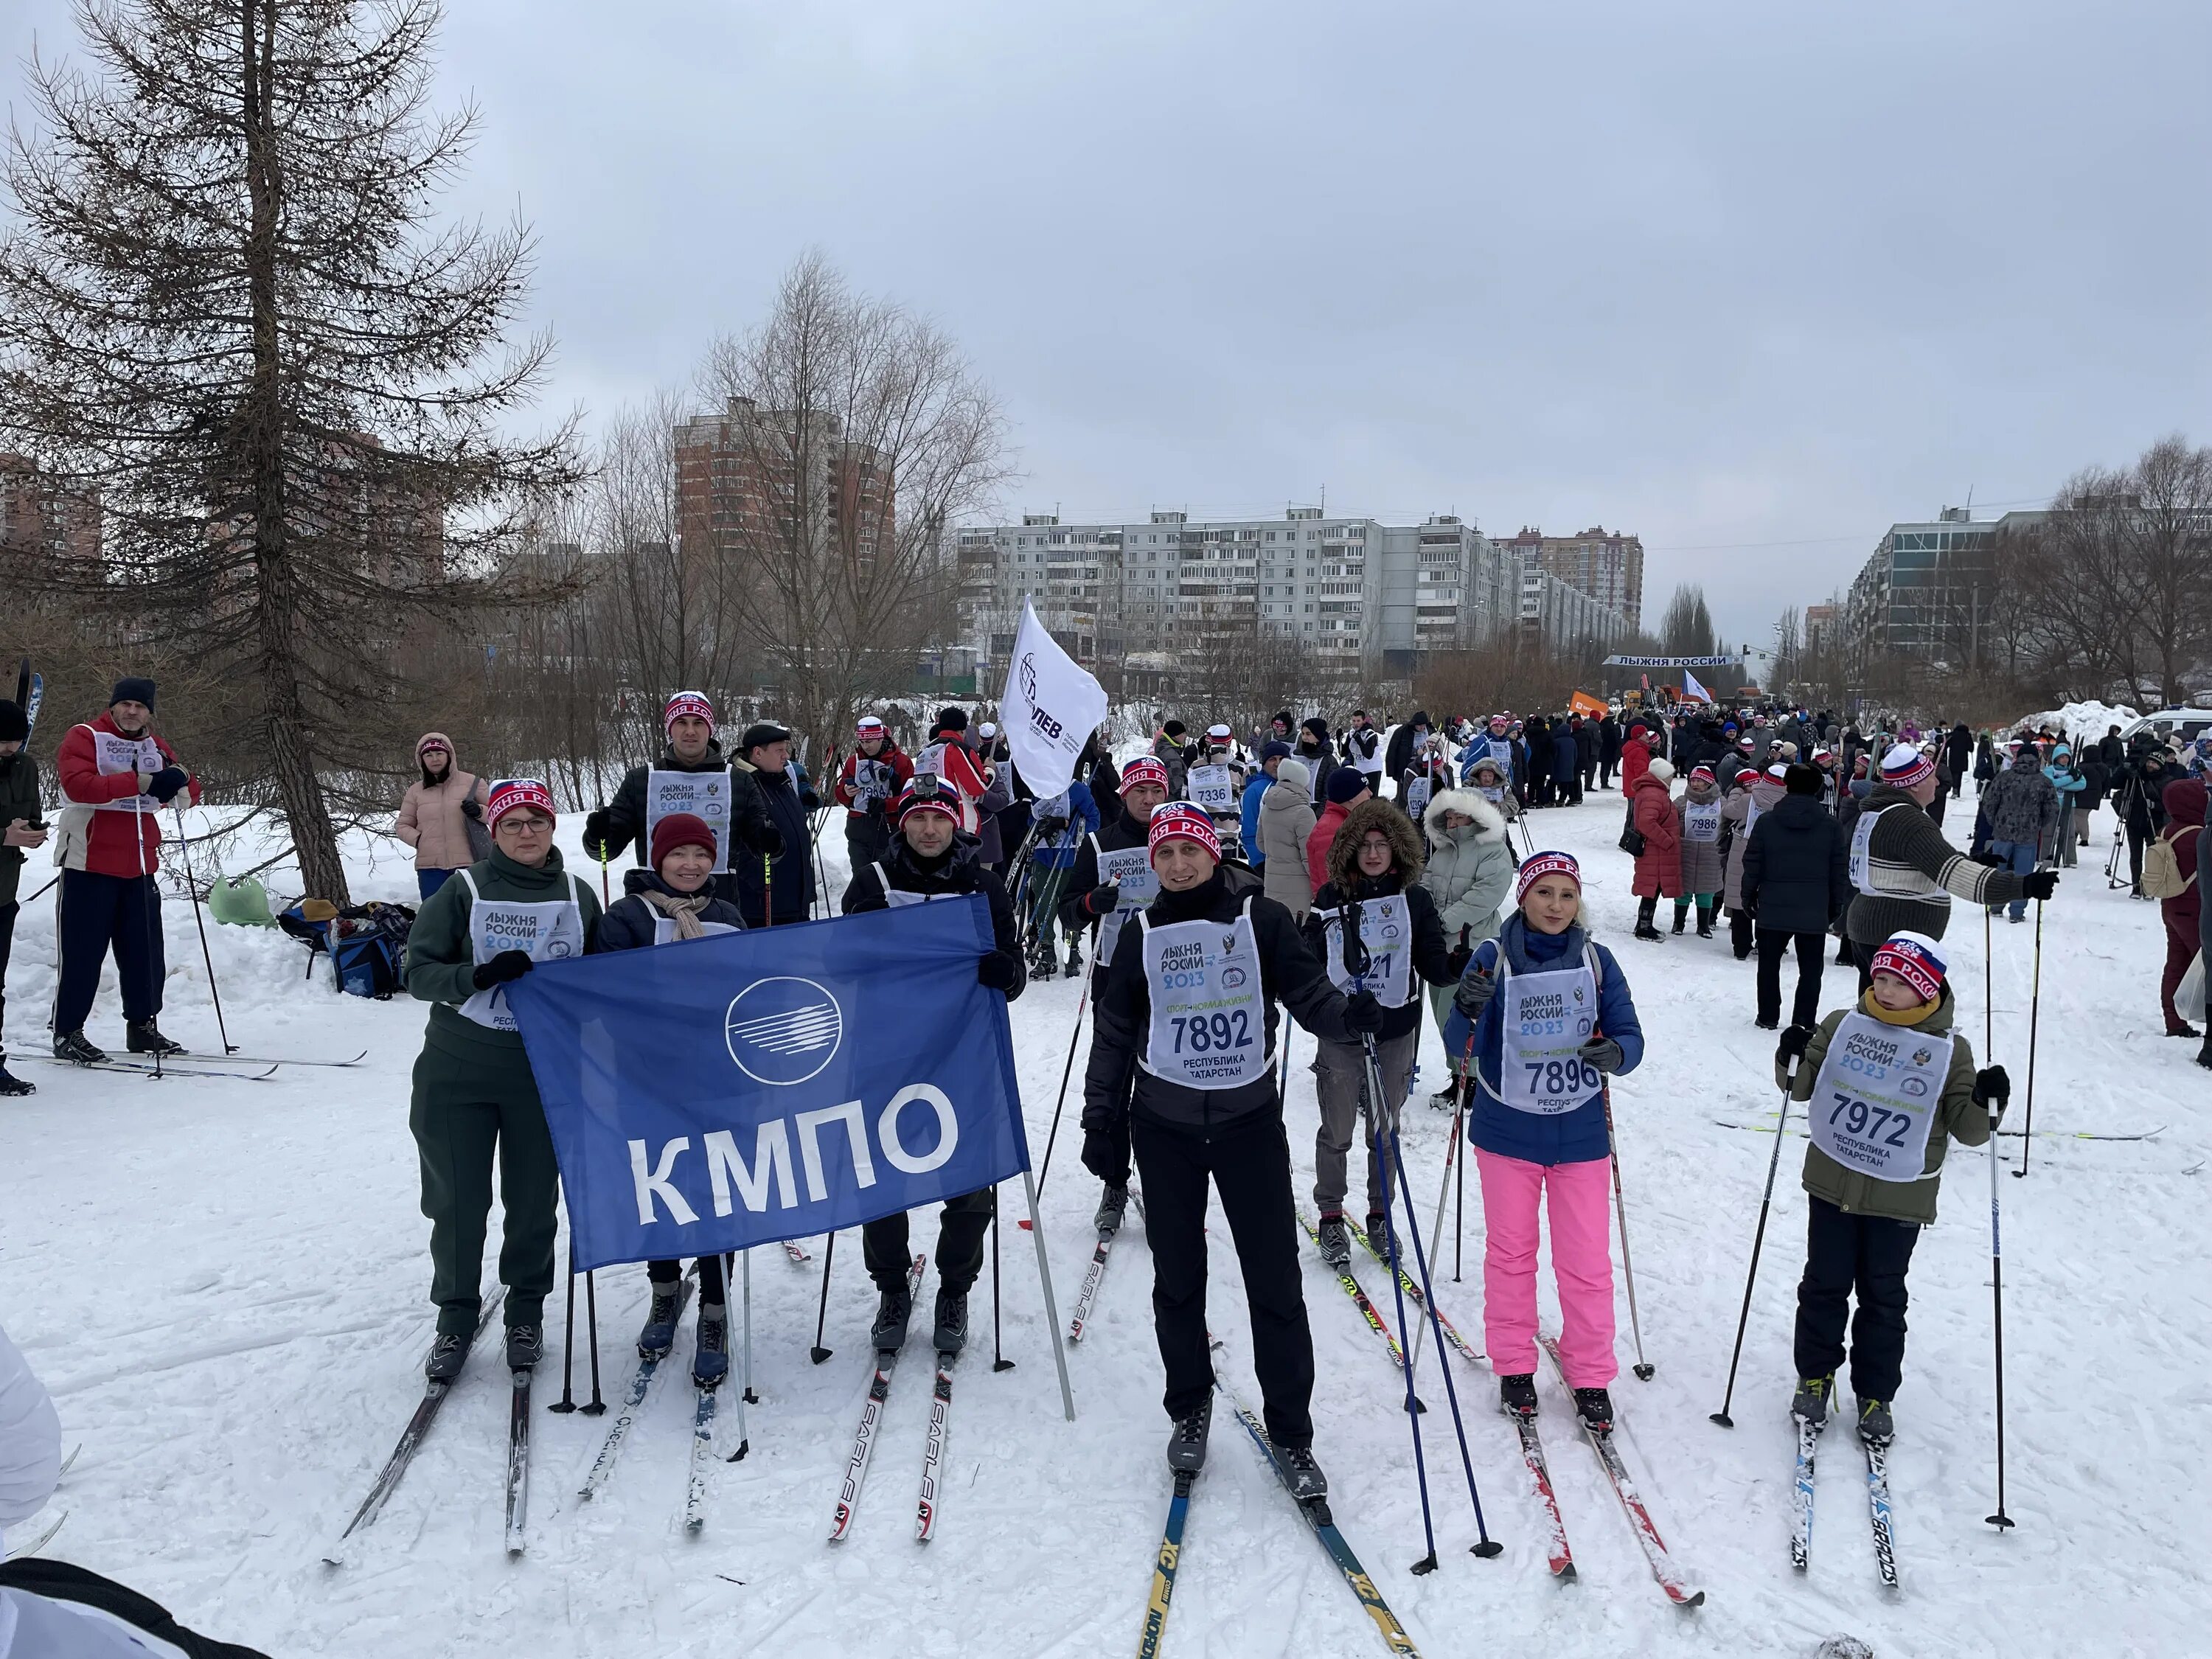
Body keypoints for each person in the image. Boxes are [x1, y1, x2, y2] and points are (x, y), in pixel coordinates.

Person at [1078, 802, 1380, 1495]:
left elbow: (1308, 993)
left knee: (1274, 1280)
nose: (1179, 865)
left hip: (1248, 1125)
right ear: (1152, 864)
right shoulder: (1142, 935)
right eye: (1166, 855)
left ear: (1214, 853)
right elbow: (1115, 1036)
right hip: (1165, 1127)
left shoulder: (1261, 919)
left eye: (1191, 850)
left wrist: (1346, 1015)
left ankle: (1292, 1432)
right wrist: (1103, 1121)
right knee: (1177, 1282)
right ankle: (1189, 1408)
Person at [404, 778, 603, 1379]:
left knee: (532, 1204)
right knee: (458, 1202)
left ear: (551, 829)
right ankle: (456, 1320)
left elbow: (603, 984)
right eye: (512, 823)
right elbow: (417, 972)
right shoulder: (465, 888)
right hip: (458, 1070)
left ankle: (525, 1313)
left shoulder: (578, 893)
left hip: (542, 1073)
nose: (525, 833)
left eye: (536, 822)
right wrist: (476, 976)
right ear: (493, 830)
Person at [1441, 852, 1644, 1429]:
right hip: (1507, 1130)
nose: (1555, 906)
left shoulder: (1597, 961)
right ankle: (1513, 1365)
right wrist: (1465, 1007)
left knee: (1585, 1261)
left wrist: (1619, 1053)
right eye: (1544, 893)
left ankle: (1591, 1375)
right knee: (1511, 1254)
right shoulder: (1493, 956)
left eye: (1567, 895)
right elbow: (1463, 1046)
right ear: (1524, 897)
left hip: (1579, 1131)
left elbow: (1629, 1033)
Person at [1777, 933, 2002, 1444]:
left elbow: (1967, 1129)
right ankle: (1814, 1376)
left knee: (1883, 1297)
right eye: (1880, 977)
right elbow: (1800, 1086)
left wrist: (1989, 1102)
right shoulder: (1843, 1026)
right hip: (1834, 1182)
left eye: (1900, 981)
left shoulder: (1949, 1050)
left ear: (1927, 990)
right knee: (1824, 1285)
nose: (1886, 988)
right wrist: (1790, 1055)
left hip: (1902, 1193)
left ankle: (1876, 1393)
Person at [844, 775, 1027, 1352]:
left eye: (940, 819)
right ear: (903, 824)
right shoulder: (873, 880)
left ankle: (955, 1287)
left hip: (959, 1057)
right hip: (884, 1055)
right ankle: (892, 1287)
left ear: (958, 824)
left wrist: (1006, 974)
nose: (929, 829)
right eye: (918, 818)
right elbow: (833, 968)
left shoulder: (984, 887)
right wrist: (857, 933)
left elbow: (1015, 972)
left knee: (969, 1178)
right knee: (881, 1181)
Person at [591, 811, 745, 1385]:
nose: (691, 865)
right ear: (658, 859)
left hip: (718, 1079)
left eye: (702, 855)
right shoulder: (627, 917)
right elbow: (607, 996)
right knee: (660, 1185)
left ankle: (714, 1308)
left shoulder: (727, 915)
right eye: (679, 855)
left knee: (717, 1191)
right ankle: (663, 1292)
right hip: (647, 1079)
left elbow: (747, 989)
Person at [1303, 800, 1456, 1258]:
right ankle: (1331, 1213)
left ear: (1398, 851)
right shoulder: (1331, 896)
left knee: (1385, 1131)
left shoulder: (1415, 899)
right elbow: (1311, 964)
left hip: (1395, 1029)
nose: (1373, 854)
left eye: (1382, 845)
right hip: (1342, 1032)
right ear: (1350, 850)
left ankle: (1379, 1214)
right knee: (1337, 1129)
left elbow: (1430, 958)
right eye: (1364, 846)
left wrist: (1452, 967)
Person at [50, 678, 198, 1064]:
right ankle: (68, 1032)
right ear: (114, 706)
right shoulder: (85, 736)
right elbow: (78, 786)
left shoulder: (154, 744)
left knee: (145, 953)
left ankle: (143, 1026)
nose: (133, 712)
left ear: (150, 712)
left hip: (139, 863)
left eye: (141, 706)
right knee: (83, 952)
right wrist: (142, 782)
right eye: (126, 704)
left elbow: (190, 791)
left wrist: (178, 777)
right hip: (90, 861)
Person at [1056, 757, 1175, 1234]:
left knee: (1166, 1091)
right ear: (1124, 794)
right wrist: (1090, 903)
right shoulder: (1100, 844)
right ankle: (1114, 1182)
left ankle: (1166, 1181)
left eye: (1157, 791)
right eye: (1140, 790)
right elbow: (1067, 912)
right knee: (1118, 1087)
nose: (1149, 799)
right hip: (1114, 982)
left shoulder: (1178, 842)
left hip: (1173, 985)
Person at [1845, 743, 2046, 981]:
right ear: (1915, 784)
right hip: (1896, 933)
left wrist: (1975, 861)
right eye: (1932, 777)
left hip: (1876, 928)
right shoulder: (1906, 819)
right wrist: (2023, 886)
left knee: (1881, 1012)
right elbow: (1953, 874)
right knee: (1907, 1014)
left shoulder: (1882, 811)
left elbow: (1918, 861)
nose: (1938, 783)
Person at [582, 690, 773, 909]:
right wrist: (598, 835)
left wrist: (770, 840)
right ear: (670, 728)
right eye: (681, 722)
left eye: (699, 723)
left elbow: (765, 849)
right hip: (654, 902)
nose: (690, 731)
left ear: (710, 729)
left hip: (717, 900)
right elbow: (607, 849)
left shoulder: (738, 780)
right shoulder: (642, 779)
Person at [1419, 785, 1517, 1107]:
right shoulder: (1442, 852)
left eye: (1459, 814)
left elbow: (1486, 894)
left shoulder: (1492, 849)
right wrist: (1423, 914)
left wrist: (1444, 921)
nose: (1452, 820)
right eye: (1448, 815)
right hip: (1439, 949)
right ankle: (1457, 1075)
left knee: (1470, 1013)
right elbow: (1426, 886)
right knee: (1443, 1014)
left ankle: (1473, 1079)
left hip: (1472, 946)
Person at [1742, 764, 1850, 1030]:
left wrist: (1748, 895)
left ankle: (1768, 1015)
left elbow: (1752, 862)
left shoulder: (1767, 821)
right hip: (1814, 906)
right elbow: (1839, 869)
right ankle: (1804, 1019)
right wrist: (1836, 905)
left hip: (1772, 903)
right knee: (1811, 970)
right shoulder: (1831, 826)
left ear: (1786, 785)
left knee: (1768, 965)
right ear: (1817, 788)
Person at [727, 722, 820, 926]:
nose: (786, 756)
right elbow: (730, 846)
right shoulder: (739, 785)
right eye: (780, 751)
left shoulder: (780, 780)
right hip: (764, 906)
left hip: (796, 899)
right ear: (758, 753)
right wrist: (761, 882)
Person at [0, 699, 44, 1096]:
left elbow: (31, 809)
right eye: (2, 743)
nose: (9, 749)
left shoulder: (26, 766)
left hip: (3, 893)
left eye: (15, 741)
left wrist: (33, 829)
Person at [1021, 771, 1099, 980]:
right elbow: (1031, 818)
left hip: (1070, 857)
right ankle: (1047, 951)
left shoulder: (1077, 790)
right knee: (1044, 903)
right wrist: (1041, 827)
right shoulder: (1038, 788)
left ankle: (1071, 948)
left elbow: (1094, 821)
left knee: (1070, 905)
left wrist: (1066, 825)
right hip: (1043, 855)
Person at [394, 732, 490, 900]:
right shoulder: (415, 791)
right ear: (421, 760)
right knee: (435, 918)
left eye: (439, 753)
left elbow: (500, 815)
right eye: (428, 755)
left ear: (449, 755)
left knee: (469, 917)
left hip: (470, 865)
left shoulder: (473, 783)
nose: (434, 759)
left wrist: (479, 811)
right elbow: (402, 825)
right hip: (430, 868)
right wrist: (419, 840)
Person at [1979, 743, 2059, 925]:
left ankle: (1996, 905)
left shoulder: (2003, 777)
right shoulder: (2044, 781)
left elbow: (1989, 802)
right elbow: (2052, 809)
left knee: (1998, 870)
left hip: (2002, 832)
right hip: (2028, 835)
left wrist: (1996, 822)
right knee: (2023, 873)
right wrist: (2038, 824)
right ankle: (2017, 911)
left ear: (2017, 758)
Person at [2153, 776, 2204, 1039]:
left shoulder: (2166, 831)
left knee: (2176, 964)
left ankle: (2173, 1021)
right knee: (2206, 965)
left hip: (2171, 905)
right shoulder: (2199, 835)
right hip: (2197, 910)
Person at [832, 714, 914, 874]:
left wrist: (886, 805)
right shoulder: (853, 761)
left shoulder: (902, 762)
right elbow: (841, 793)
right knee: (862, 876)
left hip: (889, 828)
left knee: (889, 875)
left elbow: (911, 797)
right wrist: (845, 792)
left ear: (880, 739)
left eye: (869, 742)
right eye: (862, 742)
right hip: (859, 829)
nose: (865, 746)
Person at [1628, 754, 1681, 941]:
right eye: (1670, 775)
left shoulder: (1654, 791)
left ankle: (1643, 924)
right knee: (1652, 888)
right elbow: (1646, 823)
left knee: (1652, 888)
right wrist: (1667, 840)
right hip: (1656, 851)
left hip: (1655, 851)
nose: (1672, 778)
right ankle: (1644, 927)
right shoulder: (1654, 793)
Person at [1257, 757, 1317, 919]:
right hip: (1299, 889)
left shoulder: (1267, 808)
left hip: (1271, 884)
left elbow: (1261, 844)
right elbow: (1310, 858)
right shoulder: (1304, 812)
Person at [1672, 763, 1725, 938]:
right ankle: (1678, 923)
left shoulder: (1721, 803)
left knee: (1706, 893)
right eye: (1692, 780)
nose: (1695, 784)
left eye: (1700, 781)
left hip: (1711, 855)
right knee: (1683, 892)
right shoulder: (1681, 802)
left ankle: (1703, 926)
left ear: (1709, 783)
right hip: (1686, 853)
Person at [1307, 766, 1369, 897]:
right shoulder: (1330, 830)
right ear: (1351, 796)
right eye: (1365, 789)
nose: (1370, 793)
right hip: (1340, 908)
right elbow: (1331, 883)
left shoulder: (1347, 821)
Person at [1242, 740, 1290, 869]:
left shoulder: (1295, 786)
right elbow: (1249, 831)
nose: (1278, 764)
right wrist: (1259, 862)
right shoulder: (1255, 790)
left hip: (1291, 862)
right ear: (1263, 763)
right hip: (1266, 862)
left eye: (1283, 759)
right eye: (1272, 759)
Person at [2042, 743, 2087, 869]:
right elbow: (2052, 783)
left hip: (2069, 804)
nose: (2064, 760)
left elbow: (2082, 784)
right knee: (2048, 832)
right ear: (2056, 758)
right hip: (2051, 804)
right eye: (2062, 757)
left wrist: (2065, 784)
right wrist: (2071, 778)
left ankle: (2070, 859)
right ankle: (2046, 857)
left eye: (2066, 757)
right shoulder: (2049, 770)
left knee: (2069, 832)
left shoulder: (2073, 770)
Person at [1293, 717, 1337, 808]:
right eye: (1303, 734)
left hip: (1315, 811)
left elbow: (1329, 796)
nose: (1304, 738)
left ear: (1318, 735)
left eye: (1308, 734)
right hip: (1293, 807)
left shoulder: (1329, 761)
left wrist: (1317, 817)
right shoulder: (1296, 755)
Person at [1346, 709, 1387, 792]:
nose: (1356, 724)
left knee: (1371, 796)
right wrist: (1339, 740)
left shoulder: (1370, 734)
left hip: (1373, 768)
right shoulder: (1352, 733)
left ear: (1364, 721)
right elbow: (1343, 752)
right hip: (1360, 769)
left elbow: (1368, 755)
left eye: (1358, 721)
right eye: (1354, 721)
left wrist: (1359, 740)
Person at [1597, 712, 1622, 790]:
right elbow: (1613, 738)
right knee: (1608, 766)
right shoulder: (1611, 726)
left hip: (1602, 749)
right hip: (1610, 749)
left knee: (1603, 766)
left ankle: (1603, 781)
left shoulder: (1601, 724)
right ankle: (1605, 782)